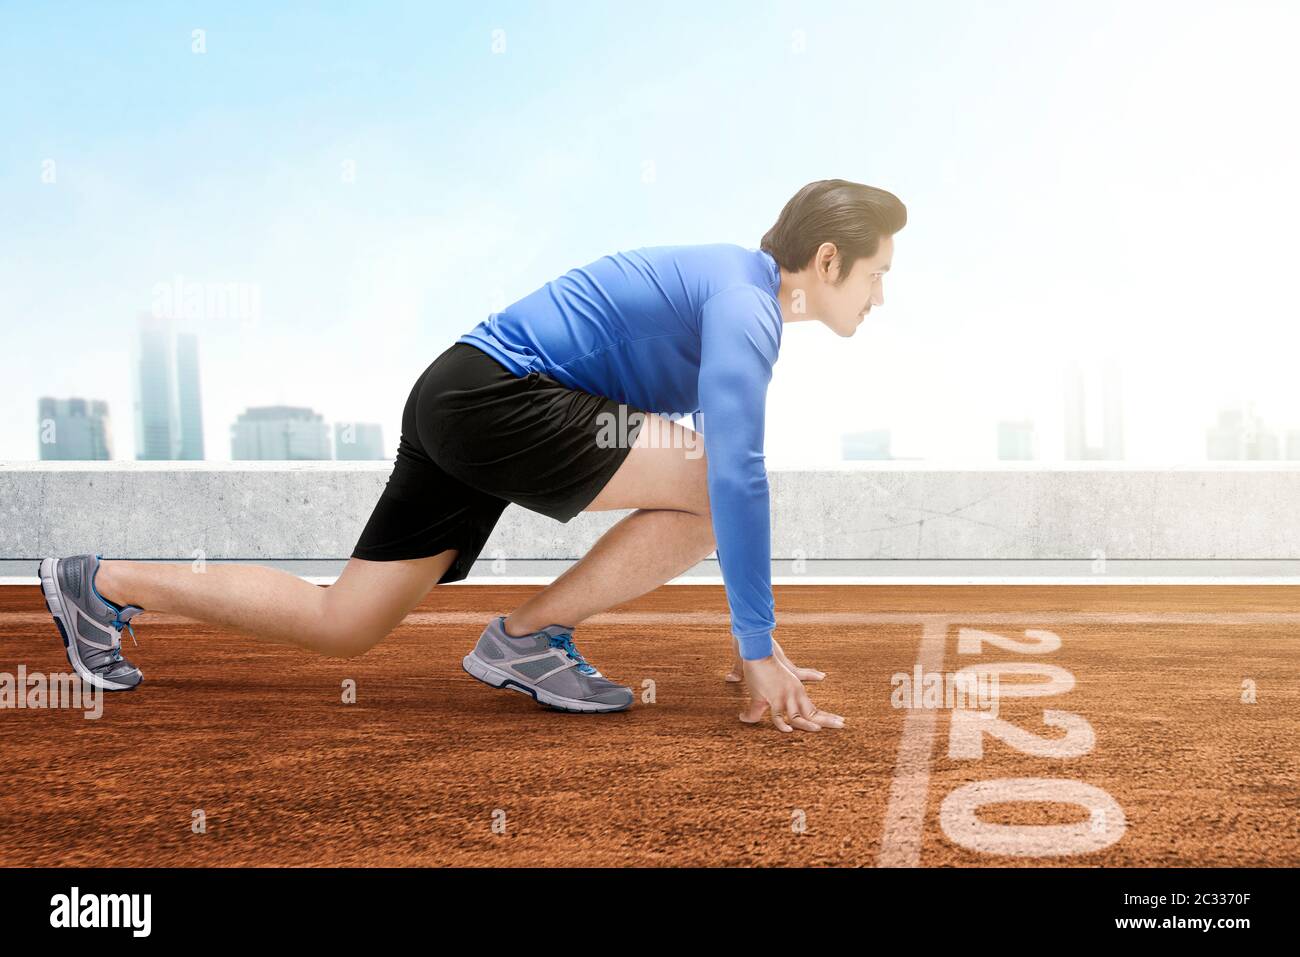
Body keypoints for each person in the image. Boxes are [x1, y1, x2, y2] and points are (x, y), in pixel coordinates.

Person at [39, 178, 904, 733]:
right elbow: (736, 472)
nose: (880, 294)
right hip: (494, 395)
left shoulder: (735, 294)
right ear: (827, 260)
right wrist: (756, 642)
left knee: (344, 622)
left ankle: (101, 582)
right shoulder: (746, 304)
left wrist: (757, 636)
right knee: (711, 482)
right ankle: (529, 636)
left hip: (464, 395)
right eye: (876, 273)